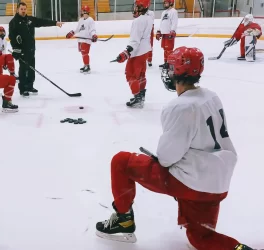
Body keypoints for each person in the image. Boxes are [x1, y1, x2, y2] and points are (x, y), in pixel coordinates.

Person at [95, 46, 255, 250]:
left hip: (193, 183)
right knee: (200, 237)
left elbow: (166, 158)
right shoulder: (212, 96)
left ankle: (123, 220)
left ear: (178, 71)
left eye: (171, 68)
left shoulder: (180, 107)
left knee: (121, 161)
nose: (168, 72)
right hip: (218, 183)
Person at [9, 1, 64, 97]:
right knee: (23, 69)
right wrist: (16, 50)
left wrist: (55, 23)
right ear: (17, 9)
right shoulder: (13, 22)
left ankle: (30, 86)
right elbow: (12, 37)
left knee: (31, 69)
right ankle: (23, 89)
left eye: (24, 9)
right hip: (22, 51)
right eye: (21, 9)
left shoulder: (29, 20)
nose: (23, 11)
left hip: (31, 49)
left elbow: (42, 21)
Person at [113, 0, 153, 108]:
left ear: (141, 7)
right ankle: (141, 95)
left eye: (136, 5)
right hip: (145, 51)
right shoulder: (149, 18)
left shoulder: (138, 21)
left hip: (137, 52)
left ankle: (137, 98)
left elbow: (135, 40)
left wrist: (126, 52)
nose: (134, 7)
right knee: (141, 74)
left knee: (130, 74)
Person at [65, 5, 98, 74]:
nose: (82, 12)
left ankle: (87, 66)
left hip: (86, 40)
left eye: (83, 11)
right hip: (80, 39)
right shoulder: (81, 19)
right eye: (82, 11)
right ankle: (85, 65)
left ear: (86, 11)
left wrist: (94, 35)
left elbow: (92, 29)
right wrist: (72, 32)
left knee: (85, 53)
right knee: (83, 53)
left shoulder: (90, 20)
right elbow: (78, 29)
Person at [156, 0, 178, 68]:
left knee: (169, 50)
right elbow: (162, 23)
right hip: (164, 34)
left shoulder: (173, 11)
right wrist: (159, 31)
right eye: (164, 3)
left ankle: (170, 63)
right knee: (165, 49)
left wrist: (173, 31)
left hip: (169, 34)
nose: (165, 4)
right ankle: (166, 62)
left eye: (166, 3)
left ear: (171, 3)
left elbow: (174, 22)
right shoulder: (164, 12)